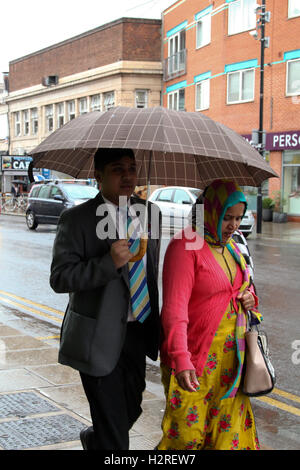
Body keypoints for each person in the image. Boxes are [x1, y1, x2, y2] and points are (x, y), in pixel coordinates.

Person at [50, 147, 161, 450]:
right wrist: (107, 263)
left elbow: (151, 272)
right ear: (98, 176)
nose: (127, 175)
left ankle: (95, 439)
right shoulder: (76, 219)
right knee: (115, 434)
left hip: (138, 331)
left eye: (131, 168)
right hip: (97, 336)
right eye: (117, 169)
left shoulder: (150, 213)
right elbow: (60, 278)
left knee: (131, 406)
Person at [158, 179, 261, 451]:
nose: (234, 225)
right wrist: (181, 359)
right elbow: (174, 309)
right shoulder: (186, 245)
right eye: (227, 217)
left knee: (227, 440)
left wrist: (251, 298)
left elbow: (242, 288)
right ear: (210, 212)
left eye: (239, 218)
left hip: (232, 365)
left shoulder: (232, 248)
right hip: (196, 361)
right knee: (186, 439)